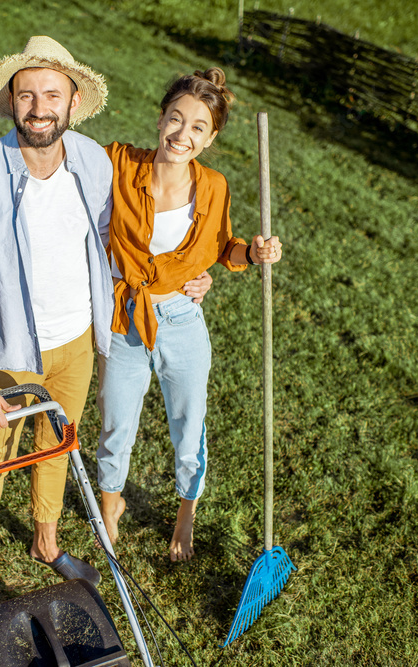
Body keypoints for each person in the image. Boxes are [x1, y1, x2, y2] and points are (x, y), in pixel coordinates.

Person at [0, 36, 215, 605]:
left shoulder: (92, 160)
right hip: (7, 351)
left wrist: (193, 271)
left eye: (52, 94)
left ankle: (46, 539)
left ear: (73, 100)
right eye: (27, 94)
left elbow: (136, 227)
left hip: (80, 341)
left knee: (58, 445)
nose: (39, 107)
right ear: (11, 101)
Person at [96, 67, 283, 562]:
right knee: (117, 424)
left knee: (189, 426)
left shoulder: (214, 186)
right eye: (175, 120)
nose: (183, 135)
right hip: (125, 321)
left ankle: (185, 515)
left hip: (181, 320)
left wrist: (254, 253)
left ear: (212, 136)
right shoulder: (118, 163)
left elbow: (224, 248)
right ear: (160, 119)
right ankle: (110, 505)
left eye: (198, 127)